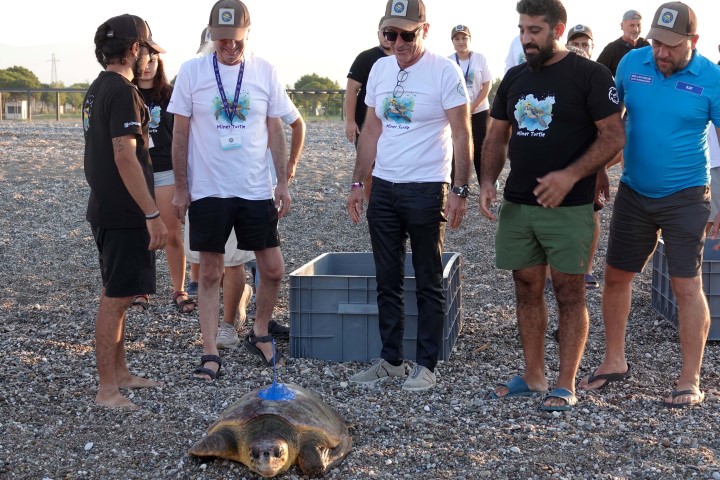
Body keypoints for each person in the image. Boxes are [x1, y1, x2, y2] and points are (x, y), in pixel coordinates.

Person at [478, 0, 624, 411]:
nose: (526, 39)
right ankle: (533, 375)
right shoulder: (513, 78)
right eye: (522, 29)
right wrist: (487, 181)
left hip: (570, 207)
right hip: (519, 204)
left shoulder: (591, 75)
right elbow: (496, 137)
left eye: (535, 31)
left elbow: (613, 136)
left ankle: (565, 383)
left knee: (569, 291)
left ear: (557, 30)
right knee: (525, 286)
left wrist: (570, 176)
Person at [579, 2, 720, 409]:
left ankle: (689, 378)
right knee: (616, 277)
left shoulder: (711, 79)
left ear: (694, 42)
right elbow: (611, 120)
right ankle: (614, 361)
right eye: (657, 42)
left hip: (687, 195)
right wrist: (600, 168)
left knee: (686, 285)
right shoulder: (630, 63)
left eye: (671, 46)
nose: (661, 53)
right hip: (635, 191)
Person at [346, 0, 472, 392]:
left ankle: (427, 363)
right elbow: (370, 132)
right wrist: (356, 183)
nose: (397, 42)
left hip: (427, 187)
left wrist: (460, 189)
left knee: (428, 279)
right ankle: (390, 360)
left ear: (425, 30)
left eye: (406, 34)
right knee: (387, 279)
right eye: (390, 33)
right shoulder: (379, 68)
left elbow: (463, 132)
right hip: (383, 187)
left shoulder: (444, 70)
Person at [169, 0, 294, 380]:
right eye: (222, 39)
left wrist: (283, 181)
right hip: (209, 189)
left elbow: (275, 129)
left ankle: (258, 331)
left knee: (273, 269)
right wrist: (180, 187)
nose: (229, 46)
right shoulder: (191, 72)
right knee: (209, 273)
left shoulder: (264, 70)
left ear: (246, 35)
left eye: (235, 39)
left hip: (255, 189)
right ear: (212, 36)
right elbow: (180, 133)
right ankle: (209, 352)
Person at [82, 14, 168, 408]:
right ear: (135, 49)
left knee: (118, 292)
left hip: (106, 207)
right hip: (123, 213)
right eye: (145, 49)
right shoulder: (122, 92)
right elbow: (124, 156)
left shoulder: (97, 88)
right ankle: (107, 390)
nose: (147, 57)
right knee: (116, 299)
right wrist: (152, 213)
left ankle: (119, 373)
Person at [133, 49, 196, 314]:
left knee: (172, 233)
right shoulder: (127, 92)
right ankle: (140, 289)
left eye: (153, 61)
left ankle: (178, 289)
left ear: (160, 64)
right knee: (139, 234)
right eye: (143, 61)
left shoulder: (172, 93)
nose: (147, 67)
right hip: (136, 171)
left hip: (166, 171)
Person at [566, 24, 603, 288]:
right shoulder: (556, 77)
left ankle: (587, 268)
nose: (579, 48)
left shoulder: (600, 78)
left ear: (593, 47)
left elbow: (609, 131)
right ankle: (547, 271)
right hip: (556, 163)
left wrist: (600, 169)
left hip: (588, 162)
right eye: (574, 43)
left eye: (584, 43)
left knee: (591, 214)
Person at [345, 18, 393, 200]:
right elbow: (351, 89)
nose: (389, 36)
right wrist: (350, 121)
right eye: (385, 31)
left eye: (393, 31)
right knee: (370, 169)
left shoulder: (405, 59)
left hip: (393, 124)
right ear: (378, 32)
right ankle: (373, 208)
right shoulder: (366, 57)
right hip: (366, 125)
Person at [448, 25, 492, 187]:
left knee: (481, 149)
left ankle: (486, 187)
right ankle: (455, 186)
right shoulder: (448, 61)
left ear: (470, 39)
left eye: (464, 38)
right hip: (457, 113)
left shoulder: (480, 58)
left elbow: (487, 85)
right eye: (457, 38)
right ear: (452, 42)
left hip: (479, 110)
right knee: (456, 148)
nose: (461, 41)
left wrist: (472, 107)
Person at [596, 9, 650, 76]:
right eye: (632, 25)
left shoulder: (646, 45)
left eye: (638, 25)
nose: (636, 29)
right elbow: (597, 72)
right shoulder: (612, 48)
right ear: (622, 26)